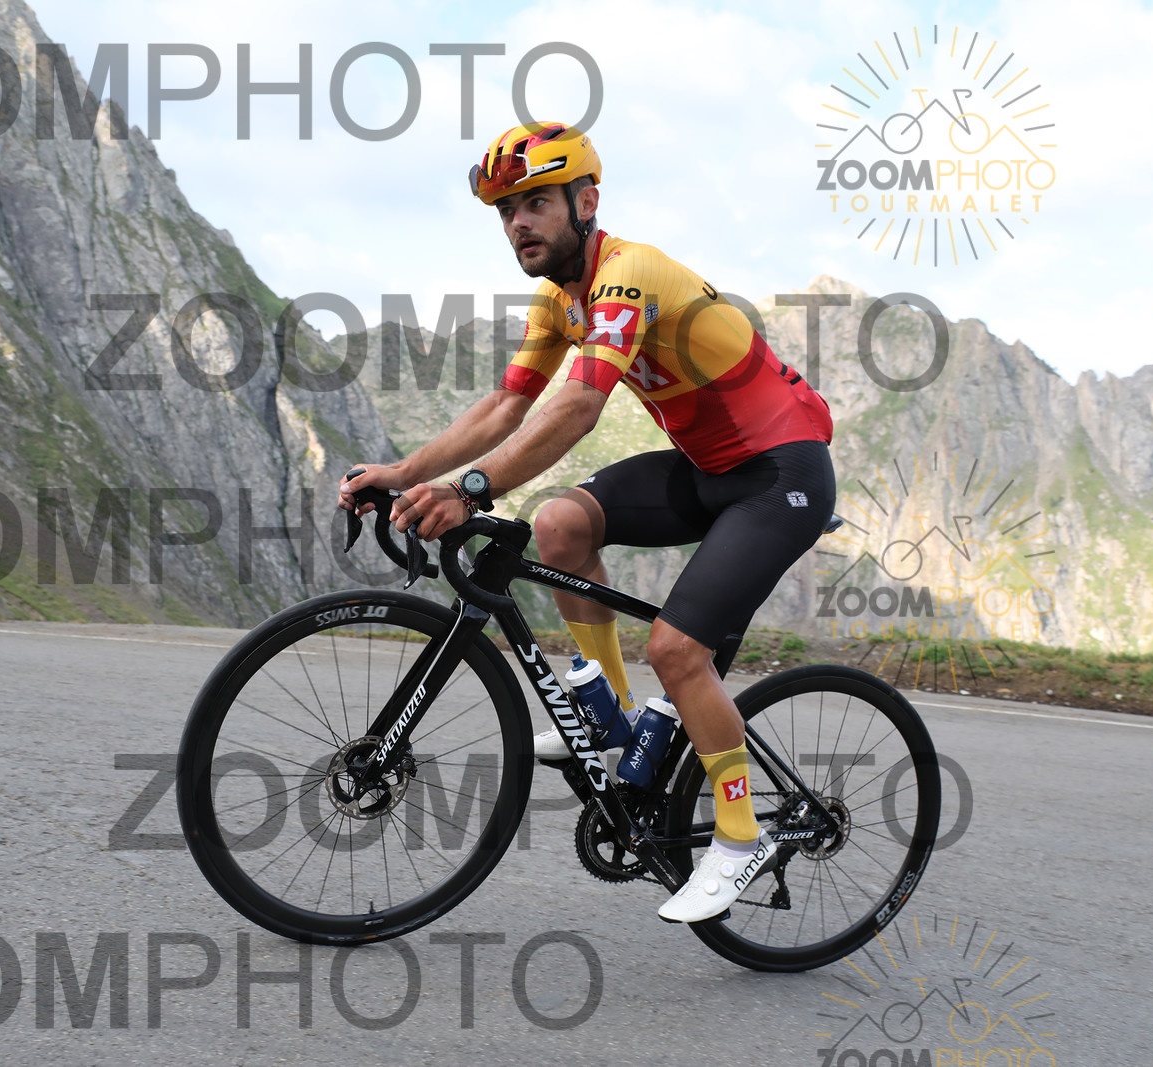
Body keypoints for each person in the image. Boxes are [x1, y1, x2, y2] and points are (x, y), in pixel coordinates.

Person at [340, 121, 837, 923]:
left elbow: (577, 405)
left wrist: (470, 489)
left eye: (535, 203)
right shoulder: (557, 300)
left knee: (677, 650)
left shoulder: (628, 273)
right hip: (710, 470)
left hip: (782, 474)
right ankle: (613, 717)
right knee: (560, 525)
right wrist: (404, 473)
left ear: (587, 201)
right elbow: (507, 405)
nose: (518, 223)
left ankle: (739, 836)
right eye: (506, 211)